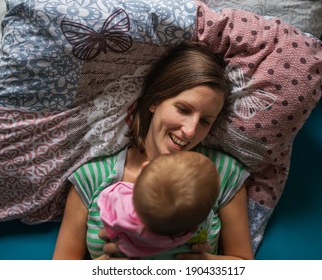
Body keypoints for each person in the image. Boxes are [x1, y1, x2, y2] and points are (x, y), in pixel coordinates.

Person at [52, 41, 254, 260]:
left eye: (205, 121)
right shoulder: (93, 177)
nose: (190, 131)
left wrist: (204, 263)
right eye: (183, 109)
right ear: (155, 101)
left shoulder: (220, 174)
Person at [98, 151, 220, 258]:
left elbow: (110, 201)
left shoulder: (119, 211)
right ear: (194, 227)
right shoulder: (198, 222)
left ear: (144, 167)